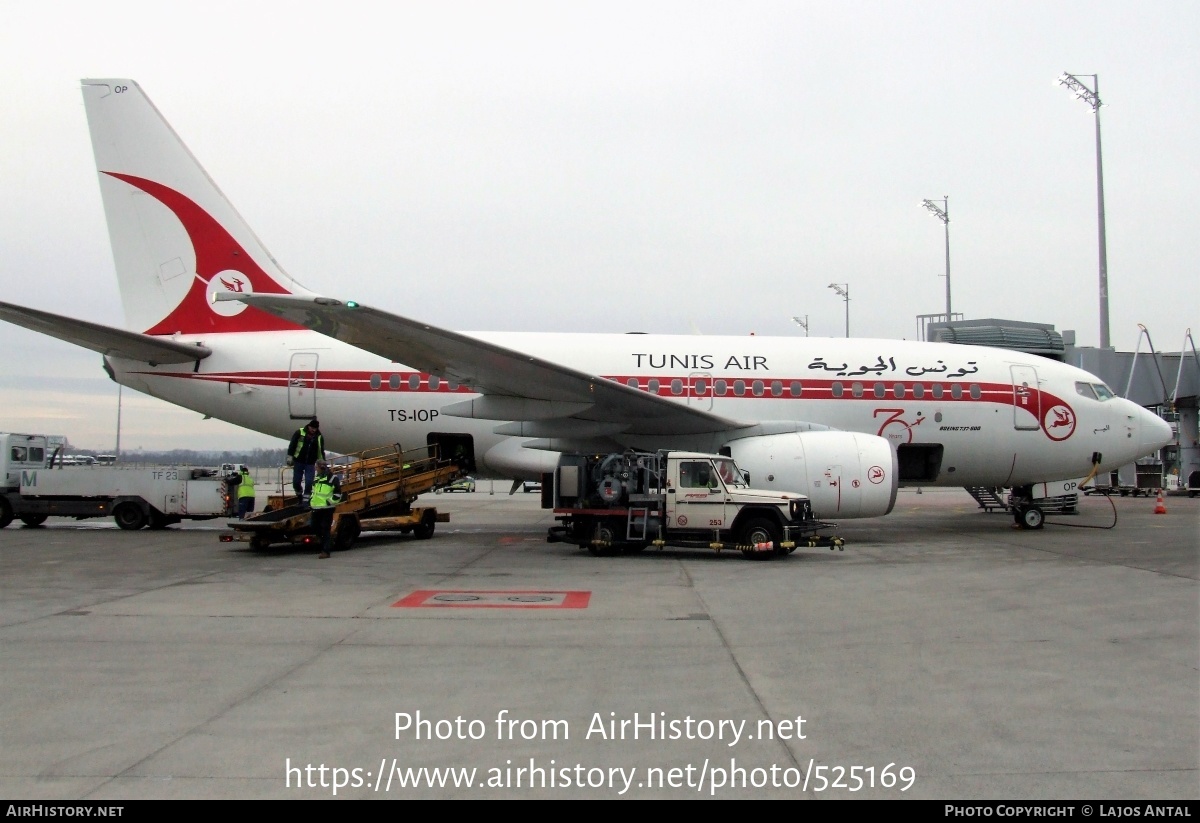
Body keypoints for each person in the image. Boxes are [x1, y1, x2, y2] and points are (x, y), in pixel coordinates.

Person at [309, 460, 343, 559]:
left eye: (316, 467)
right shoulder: (317, 478)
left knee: (325, 529)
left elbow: (337, 494)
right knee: (314, 526)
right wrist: (311, 501)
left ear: (321, 467)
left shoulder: (332, 478)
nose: (315, 469)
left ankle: (326, 551)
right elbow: (314, 492)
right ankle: (326, 543)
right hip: (316, 507)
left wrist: (330, 502)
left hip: (327, 509)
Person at [287, 419, 325, 499]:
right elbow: (292, 445)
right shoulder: (299, 432)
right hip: (298, 461)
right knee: (296, 482)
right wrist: (290, 456)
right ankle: (299, 495)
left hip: (310, 463)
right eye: (312, 428)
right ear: (309, 426)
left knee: (309, 483)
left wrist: (322, 462)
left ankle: (306, 501)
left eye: (315, 429)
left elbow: (320, 450)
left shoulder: (319, 437)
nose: (313, 430)